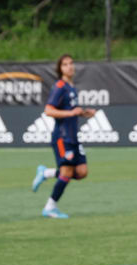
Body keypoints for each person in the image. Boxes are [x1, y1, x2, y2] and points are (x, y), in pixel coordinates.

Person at [31, 54, 95, 218]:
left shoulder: (71, 87)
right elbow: (48, 110)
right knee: (66, 172)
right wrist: (71, 112)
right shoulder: (59, 86)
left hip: (73, 137)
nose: (69, 67)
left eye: (71, 63)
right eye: (65, 64)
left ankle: (46, 173)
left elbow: (72, 110)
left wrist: (84, 113)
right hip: (62, 137)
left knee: (82, 172)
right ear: (60, 69)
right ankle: (50, 207)